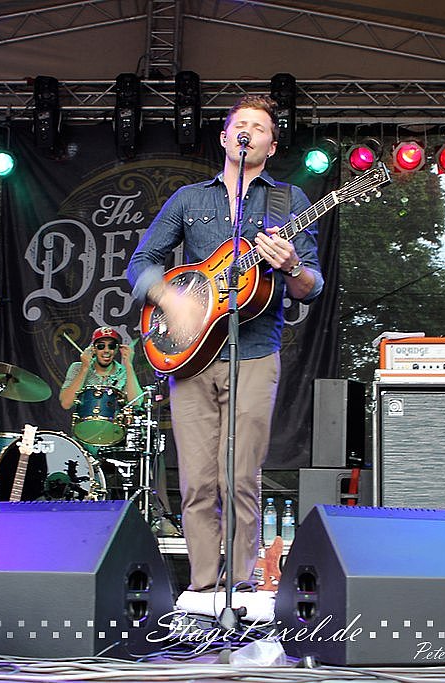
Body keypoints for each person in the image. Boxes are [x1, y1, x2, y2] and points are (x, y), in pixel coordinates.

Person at [127, 95, 324, 592]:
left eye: (260, 128)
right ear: (225, 137)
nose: (249, 133)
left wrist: (290, 266)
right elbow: (141, 261)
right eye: (242, 126)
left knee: (240, 479)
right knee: (198, 482)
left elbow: (311, 284)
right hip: (190, 356)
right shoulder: (190, 199)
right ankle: (200, 591)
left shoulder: (289, 202)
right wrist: (169, 299)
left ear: (271, 146)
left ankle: (238, 591)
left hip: (255, 351)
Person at [59, 325, 142, 414]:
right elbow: (66, 404)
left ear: (117, 349)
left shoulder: (124, 373)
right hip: (85, 425)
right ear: (93, 349)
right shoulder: (77, 367)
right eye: (101, 346)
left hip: (114, 426)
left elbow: (135, 404)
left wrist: (129, 365)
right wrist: (85, 368)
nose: (106, 350)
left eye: (111, 346)